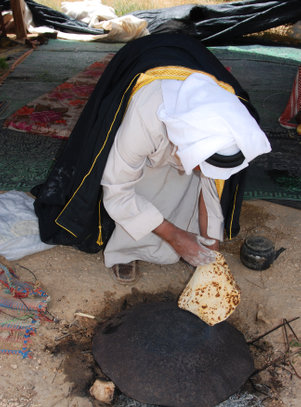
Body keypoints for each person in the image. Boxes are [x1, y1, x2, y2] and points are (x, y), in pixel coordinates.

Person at [32, 33, 271, 284]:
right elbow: (118, 189)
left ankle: (184, 239)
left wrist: (211, 247)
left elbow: (211, 187)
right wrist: (175, 237)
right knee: (142, 185)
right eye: (201, 163)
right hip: (142, 61)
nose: (203, 169)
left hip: (187, 56)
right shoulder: (145, 118)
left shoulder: (227, 127)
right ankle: (125, 251)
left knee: (189, 185)